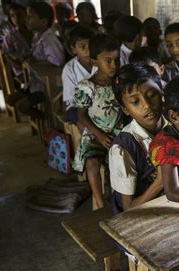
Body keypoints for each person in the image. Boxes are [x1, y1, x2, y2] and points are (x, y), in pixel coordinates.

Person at [72, 34, 122, 209]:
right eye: (108, 60)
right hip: (95, 134)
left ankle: (119, 197)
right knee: (92, 163)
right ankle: (100, 204)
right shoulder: (87, 86)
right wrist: (100, 135)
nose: (114, 65)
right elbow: (82, 115)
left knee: (120, 160)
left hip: (118, 133)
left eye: (117, 60)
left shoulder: (121, 83)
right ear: (94, 61)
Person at [109, 64, 168, 214]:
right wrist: (160, 182)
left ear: (161, 92)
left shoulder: (177, 124)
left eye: (152, 95)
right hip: (141, 216)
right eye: (135, 102)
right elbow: (128, 208)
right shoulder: (124, 148)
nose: (147, 105)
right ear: (125, 109)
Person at [61, 26, 96, 125]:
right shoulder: (69, 69)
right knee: (81, 119)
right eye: (82, 47)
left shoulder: (100, 62)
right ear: (74, 49)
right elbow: (71, 99)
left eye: (91, 46)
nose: (88, 51)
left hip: (99, 104)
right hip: (76, 107)